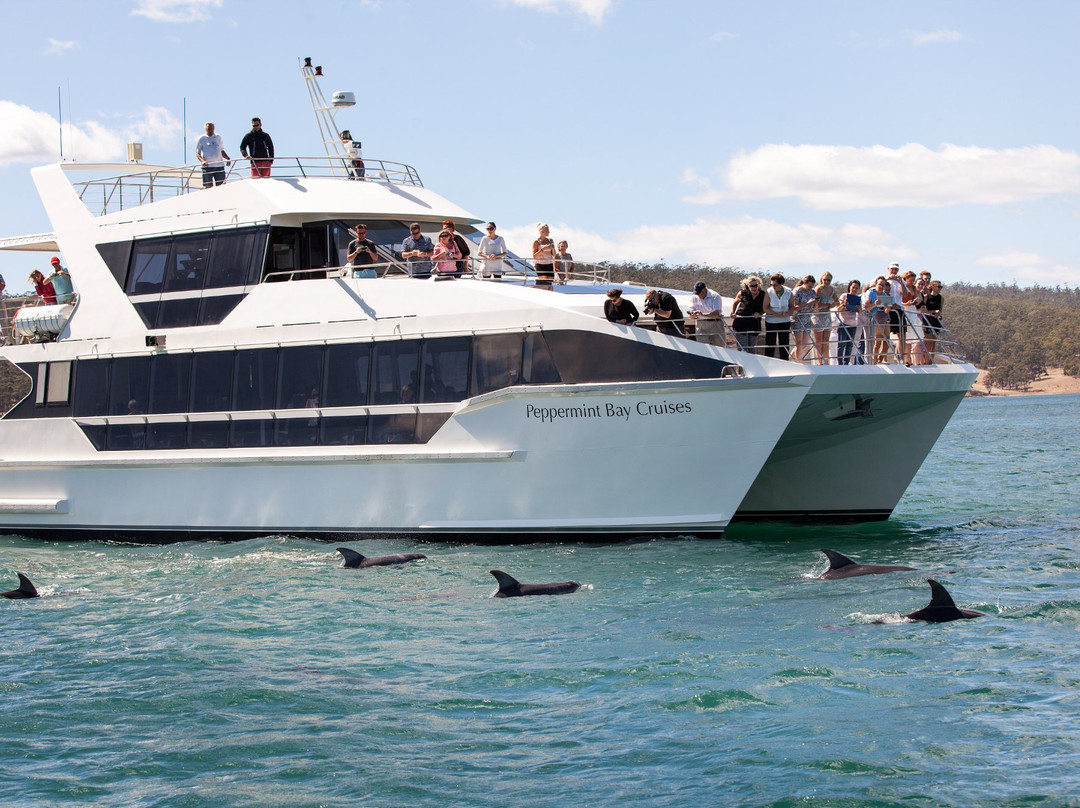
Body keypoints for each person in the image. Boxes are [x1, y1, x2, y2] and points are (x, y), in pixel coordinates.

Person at [730, 275, 764, 352]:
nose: (754, 288)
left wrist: (759, 313)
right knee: (742, 348)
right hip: (741, 322)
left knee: (752, 348)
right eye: (751, 286)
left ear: (759, 285)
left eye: (755, 285)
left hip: (754, 323)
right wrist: (733, 312)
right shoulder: (742, 293)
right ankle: (743, 363)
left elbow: (765, 307)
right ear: (748, 286)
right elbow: (735, 302)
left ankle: (752, 363)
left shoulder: (763, 295)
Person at [763, 273, 793, 360]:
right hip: (771, 321)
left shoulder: (788, 292)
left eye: (775, 285)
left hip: (785, 321)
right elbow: (765, 307)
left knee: (784, 344)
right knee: (770, 344)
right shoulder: (769, 292)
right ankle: (768, 363)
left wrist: (788, 313)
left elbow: (792, 306)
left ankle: (785, 362)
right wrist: (775, 314)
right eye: (771, 284)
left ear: (781, 284)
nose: (773, 287)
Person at [864, 276, 893, 364]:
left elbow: (887, 309)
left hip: (885, 319)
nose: (881, 286)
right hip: (874, 318)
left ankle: (879, 359)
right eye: (879, 284)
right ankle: (874, 360)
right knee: (878, 341)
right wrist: (874, 304)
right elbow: (865, 306)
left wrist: (887, 307)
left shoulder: (884, 295)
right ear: (876, 284)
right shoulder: (871, 292)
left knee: (887, 341)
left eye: (883, 285)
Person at [688, 281, 724, 346]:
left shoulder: (715, 296)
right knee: (702, 347)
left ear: (704, 290)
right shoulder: (694, 297)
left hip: (715, 323)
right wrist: (692, 313)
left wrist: (703, 314)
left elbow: (717, 312)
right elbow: (690, 308)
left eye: (700, 293)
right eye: (697, 293)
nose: (698, 295)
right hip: (701, 324)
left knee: (720, 346)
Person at [834, 280, 862, 365]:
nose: (854, 289)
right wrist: (844, 304)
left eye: (857, 288)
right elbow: (838, 309)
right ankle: (840, 362)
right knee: (842, 344)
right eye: (853, 287)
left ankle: (846, 362)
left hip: (853, 323)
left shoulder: (858, 298)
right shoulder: (844, 296)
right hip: (843, 323)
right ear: (849, 287)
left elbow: (860, 312)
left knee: (849, 345)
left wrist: (858, 307)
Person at [195, 122, 231, 188]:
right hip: (207, 166)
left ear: (214, 128)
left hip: (219, 165)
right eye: (208, 128)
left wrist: (227, 158)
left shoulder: (218, 137)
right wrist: (202, 161)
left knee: (221, 186)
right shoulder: (202, 138)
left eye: (211, 128)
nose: (210, 130)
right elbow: (197, 153)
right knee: (208, 186)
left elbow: (221, 150)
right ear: (206, 129)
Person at [791, 275, 817, 362]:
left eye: (811, 286)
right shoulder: (797, 291)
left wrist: (815, 303)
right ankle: (799, 362)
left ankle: (791, 357)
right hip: (798, 318)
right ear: (804, 283)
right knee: (799, 343)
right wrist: (808, 303)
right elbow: (795, 307)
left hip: (808, 319)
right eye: (809, 286)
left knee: (805, 344)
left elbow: (814, 306)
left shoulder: (812, 292)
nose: (810, 288)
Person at [813, 273, 837, 364]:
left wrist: (833, 304)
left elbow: (837, 301)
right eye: (825, 280)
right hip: (818, 316)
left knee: (826, 341)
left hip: (827, 316)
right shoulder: (818, 289)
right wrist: (827, 305)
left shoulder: (832, 289)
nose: (826, 282)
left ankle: (825, 361)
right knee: (819, 342)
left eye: (828, 280)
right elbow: (816, 305)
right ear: (821, 280)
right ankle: (819, 362)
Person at [922, 280, 944, 363]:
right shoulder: (926, 297)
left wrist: (939, 314)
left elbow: (940, 310)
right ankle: (925, 361)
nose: (940, 289)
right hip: (927, 320)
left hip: (935, 321)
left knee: (934, 343)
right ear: (933, 287)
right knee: (928, 341)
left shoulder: (941, 298)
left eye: (940, 287)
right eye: (938, 287)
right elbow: (923, 310)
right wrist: (934, 311)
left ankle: (930, 361)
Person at [532, 223, 556, 290]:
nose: (549, 232)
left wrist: (552, 248)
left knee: (549, 283)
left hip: (549, 264)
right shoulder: (536, 242)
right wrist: (543, 249)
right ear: (542, 231)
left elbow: (554, 254)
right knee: (543, 284)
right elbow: (534, 256)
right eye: (547, 230)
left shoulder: (550, 240)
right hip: (540, 264)